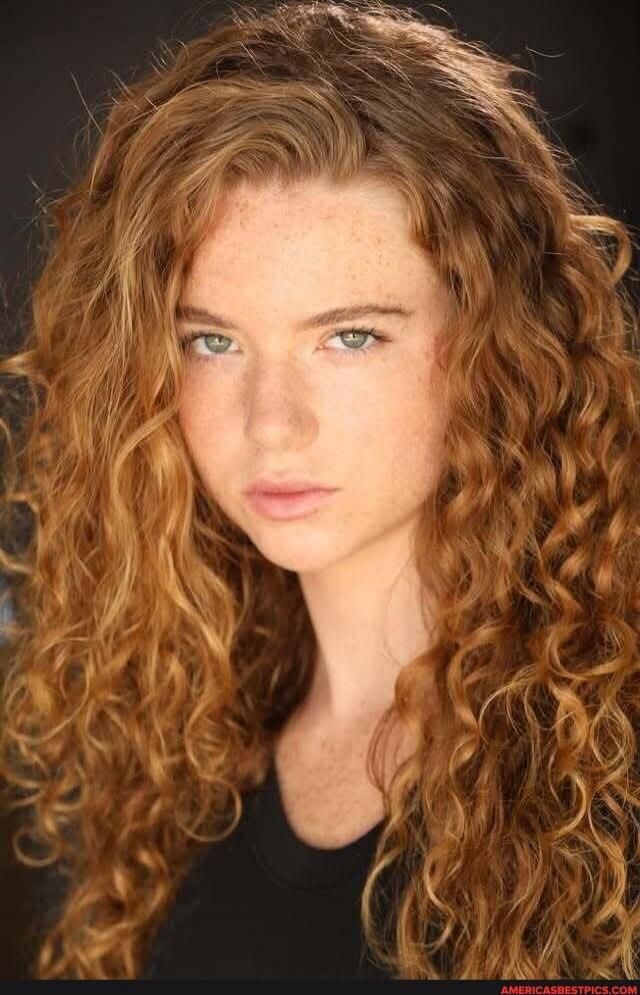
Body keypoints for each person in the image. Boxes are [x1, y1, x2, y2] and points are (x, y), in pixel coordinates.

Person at [0, 0, 638, 981]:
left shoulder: (612, 778)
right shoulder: (161, 760)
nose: (270, 421)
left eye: (349, 336)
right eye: (212, 341)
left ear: (497, 349)